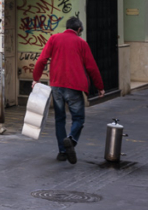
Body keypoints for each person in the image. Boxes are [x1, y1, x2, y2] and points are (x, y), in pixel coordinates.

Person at [32, 16, 105, 164]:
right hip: (74, 86)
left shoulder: (54, 39)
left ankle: (62, 152)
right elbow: (91, 67)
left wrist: (36, 78)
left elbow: (42, 59)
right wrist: (100, 87)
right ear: (79, 29)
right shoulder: (81, 43)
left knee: (60, 119)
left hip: (56, 85)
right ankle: (71, 140)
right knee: (78, 118)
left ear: (66, 27)